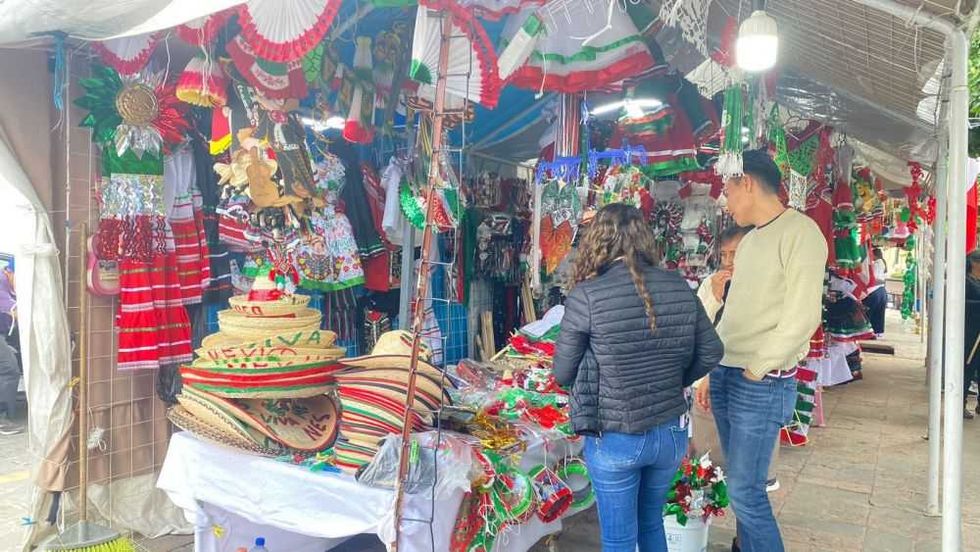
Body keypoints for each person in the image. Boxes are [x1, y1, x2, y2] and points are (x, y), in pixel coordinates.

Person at [554, 203, 723, 552]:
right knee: (650, 525)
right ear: (644, 238)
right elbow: (711, 350)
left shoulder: (587, 294)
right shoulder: (677, 285)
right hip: (670, 433)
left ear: (596, 242)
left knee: (618, 539)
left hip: (616, 436)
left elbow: (562, 372)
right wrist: (676, 378)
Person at [695, 150, 828, 552]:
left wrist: (758, 367)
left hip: (759, 381)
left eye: (727, 189)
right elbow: (731, 314)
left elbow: (803, 315)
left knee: (746, 491)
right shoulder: (750, 242)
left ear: (746, 183)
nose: (725, 199)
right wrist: (710, 370)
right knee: (742, 487)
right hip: (727, 372)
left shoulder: (800, 233)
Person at [963, 250, 980, 419]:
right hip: (970, 331)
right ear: (974, 263)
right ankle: (961, 403)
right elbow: (962, 303)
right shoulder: (965, 281)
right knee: (968, 367)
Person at [862, 247, 888, 337]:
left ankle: (866, 331)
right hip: (882, 291)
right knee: (879, 313)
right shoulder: (882, 263)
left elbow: (874, 279)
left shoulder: (877, 263)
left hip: (875, 291)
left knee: (868, 311)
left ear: (874, 254)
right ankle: (878, 331)